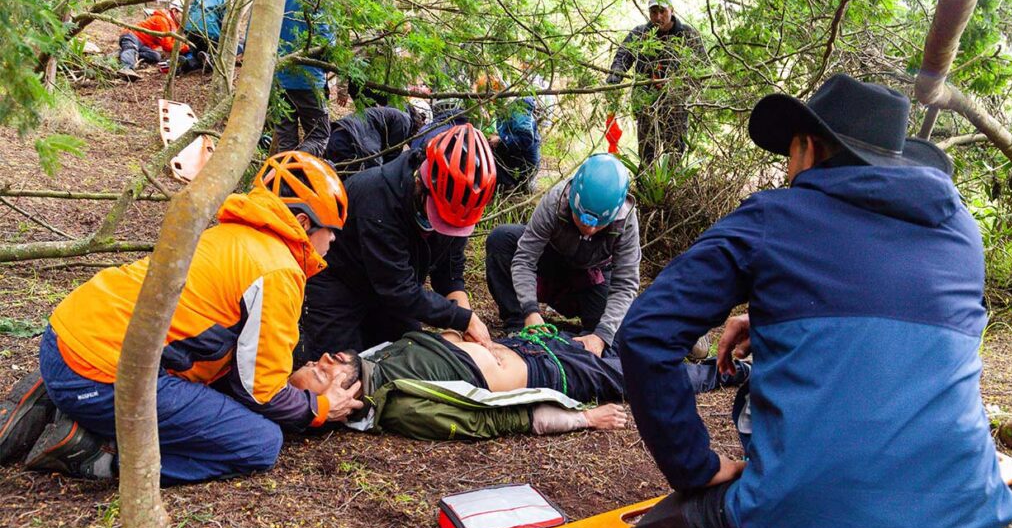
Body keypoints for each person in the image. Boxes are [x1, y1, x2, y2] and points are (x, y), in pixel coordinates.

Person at [616, 74, 1012, 528]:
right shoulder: (960, 235)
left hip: (824, 518)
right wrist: (774, 316)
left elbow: (647, 333)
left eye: (788, 152)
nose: (786, 168)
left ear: (808, 146)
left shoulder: (773, 218)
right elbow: (892, 323)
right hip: (957, 523)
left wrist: (696, 466)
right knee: (838, 523)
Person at [0, 153, 364, 485]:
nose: (333, 241)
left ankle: (54, 390)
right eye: (331, 230)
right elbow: (261, 391)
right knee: (260, 442)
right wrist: (320, 408)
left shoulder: (233, 236)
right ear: (303, 222)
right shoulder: (278, 271)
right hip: (100, 373)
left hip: (67, 332)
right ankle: (93, 449)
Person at [289, 327, 748, 441]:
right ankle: (733, 371)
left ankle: (691, 340)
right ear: (342, 402)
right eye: (323, 373)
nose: (325, 358)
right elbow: (483, 421)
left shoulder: (373, 358)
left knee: (607, 343)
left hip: (527, 343)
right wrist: (581, 419)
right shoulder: (401, 405)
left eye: (316, 360)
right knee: (641, 376)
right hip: (547, 374)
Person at [300, 124, 497, 360]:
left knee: (408, 358)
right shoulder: (377, 199)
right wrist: (462, 319)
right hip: (339, 283)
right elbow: (398, 289)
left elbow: (449, 272)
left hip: (393, 286)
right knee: (339, 370)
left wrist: (466, 318)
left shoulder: (459, 207)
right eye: (441, 218)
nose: (443, 227)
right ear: (423, 183)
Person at [486, 153, 639, 356]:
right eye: (582, 220)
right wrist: (530, 311)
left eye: (598, 225)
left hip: (593, 273)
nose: (590, 230)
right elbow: (526, 258)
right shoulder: (556, 201)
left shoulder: (625, 220)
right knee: (501, 240)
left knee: (614, 338)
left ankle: (589, 332)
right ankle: (517, 322)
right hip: (552, 258)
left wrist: (602, 334)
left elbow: (625, 284)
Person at [606, 0, 706, 164]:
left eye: (662, 11)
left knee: (674, 153)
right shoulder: (639, 34)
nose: (658, 17)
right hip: (646, 106)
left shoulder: (688, 35)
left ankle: (670, 189)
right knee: (646, 154)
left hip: (675, 108)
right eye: (653, 12)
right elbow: (623, 56)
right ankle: (645, 187)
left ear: (671, 10)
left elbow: (702, 70)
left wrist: (678, 87)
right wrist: (616, 73)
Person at [273, 0, 335, 157]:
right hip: (307, 80)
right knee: (320, 135)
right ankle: (296, 169)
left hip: (276, 79)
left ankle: (281, 182)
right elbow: (326, 42)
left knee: (286, 140)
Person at [324, 106, 417, 177]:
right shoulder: (404, 120)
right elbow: (392, 156)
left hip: (337, 136)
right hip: (352, 141)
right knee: (374, 177)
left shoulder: (387, 113)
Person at [117, 0, 188, 81]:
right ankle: (126, 68)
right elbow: (167, 45)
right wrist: (186, 47)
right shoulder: (163, 20)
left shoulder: (173, 25)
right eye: (183, 14)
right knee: (131, 48)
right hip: (132, 35)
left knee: (155, 56)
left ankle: (122, 54)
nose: (184, 17)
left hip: (144, 45)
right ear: (175, 11)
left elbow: (172, 45)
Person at [490, 97, 542, 192]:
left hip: (526, 163)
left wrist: (501, 139)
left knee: (489, 152)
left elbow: (526, 140)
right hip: (519, 157)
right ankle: (517, 183)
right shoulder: (506, 112)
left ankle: (508, 183)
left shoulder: (519, 112)